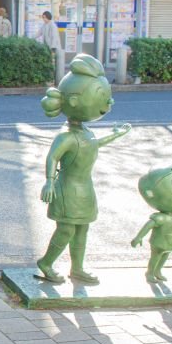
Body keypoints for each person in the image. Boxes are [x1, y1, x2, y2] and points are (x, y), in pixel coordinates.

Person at [35, 54, 131, 285]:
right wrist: (49, 181)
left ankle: (77, 267)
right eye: (102, 97)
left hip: (85, 189)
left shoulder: (84, 134)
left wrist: (115, 135)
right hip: (68, 189)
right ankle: (46, 262)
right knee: (66, 229)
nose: (108, 103)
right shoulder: (66, 136)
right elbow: (53, 157)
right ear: (75, 101)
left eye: (108, 97)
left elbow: (93, 144)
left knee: (82, 229)